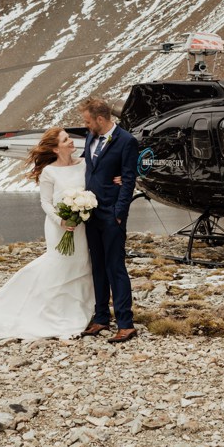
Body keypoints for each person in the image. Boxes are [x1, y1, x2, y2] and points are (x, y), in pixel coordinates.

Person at [0, 127, 94, 341]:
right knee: (59, 264)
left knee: (81, 264)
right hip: (59, 227)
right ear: (56, 148)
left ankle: (75, 311)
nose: (71, 142)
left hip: (81, 226)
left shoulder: (84, 164)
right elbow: (46, 203)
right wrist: (62, 220)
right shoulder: (50, 171)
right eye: (66, 139)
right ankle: (41, 309)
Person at [77, 97, 140, 344]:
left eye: (87, 120)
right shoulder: (91, 137)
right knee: (98, 267)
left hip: (112, 215)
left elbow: (129, 179)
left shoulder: (126, 141)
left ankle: (126, 323)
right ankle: (101, 318)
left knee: (115, 267)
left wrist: (119, 212)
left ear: (100, 119)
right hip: (90, 213)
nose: (85, 125)